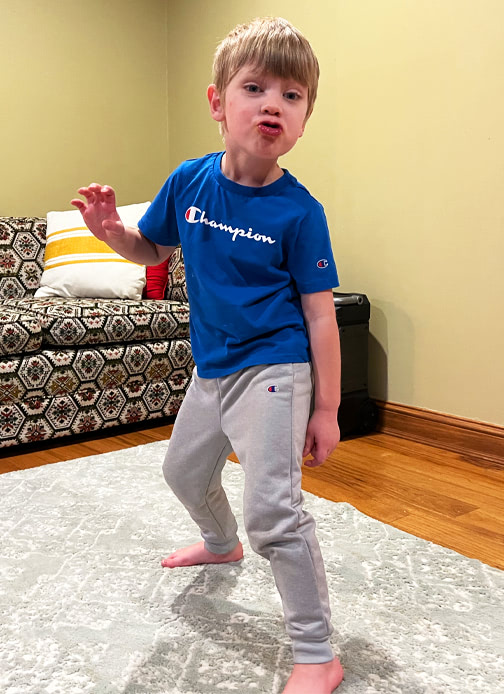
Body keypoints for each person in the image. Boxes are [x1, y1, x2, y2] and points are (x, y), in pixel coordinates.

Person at [71, 17, 343, 694]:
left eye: (293, 94)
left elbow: (320, 315)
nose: (274, 104)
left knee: (274, 512)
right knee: (183, 473)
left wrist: (328, 408)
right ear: (219, 102)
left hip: (275, 370)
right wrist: (114, 236)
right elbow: (151, 249)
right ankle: (221, 546)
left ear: (307, 114)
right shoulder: (191, 182)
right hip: (214, 367)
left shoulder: (300, 212)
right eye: (255, 87)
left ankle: (318, 652)